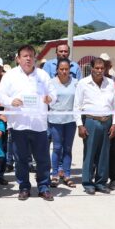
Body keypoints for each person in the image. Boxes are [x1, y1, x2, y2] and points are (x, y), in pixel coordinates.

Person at [0, 44, 57, 201]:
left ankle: (44, 187)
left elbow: (53, 93)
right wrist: (11, 101)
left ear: (35, 58)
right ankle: (24, 187)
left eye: (31, 55)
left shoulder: (43, 75)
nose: (28, 58)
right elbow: (0, 96)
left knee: (43, 159)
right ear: (18, 58)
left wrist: (50, 98)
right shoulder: (10, 76)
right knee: (21, 159)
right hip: (19, 124)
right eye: (25, 55)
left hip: (39, 124)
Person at [73, 57, 115, 195]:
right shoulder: (83, 83)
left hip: (107, 121)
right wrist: (80, 125)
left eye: (102, 68)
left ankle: (101, 182)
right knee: (90, 153)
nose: (99, 71)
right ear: (91, 68)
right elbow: (76, 106)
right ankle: (87, 183)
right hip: (90, 121)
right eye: (97, 68)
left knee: (104, 154)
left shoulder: (110, 83)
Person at [48, 58, 78, 188]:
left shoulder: (76, 83)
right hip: (55, 120)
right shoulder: (51, 83)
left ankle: (67, 175)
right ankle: (54, 174)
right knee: (57, 148)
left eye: (66, 69)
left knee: (68, 148)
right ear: (57, 70)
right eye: (61, 69)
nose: (64, 71)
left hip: (70, 120)